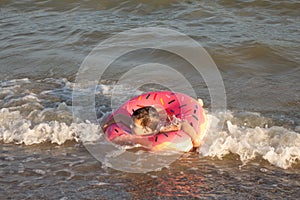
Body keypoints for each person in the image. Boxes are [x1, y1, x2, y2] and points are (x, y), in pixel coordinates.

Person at [102, 106, 201, 148]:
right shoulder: (132, 124)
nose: (130, 125)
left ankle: (199, 104)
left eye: (134, 125)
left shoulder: (157, 131)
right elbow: (119, 117)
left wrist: (195, 139)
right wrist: (106, 125)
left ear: (146, 130)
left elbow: (183, 124)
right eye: (131, 122)